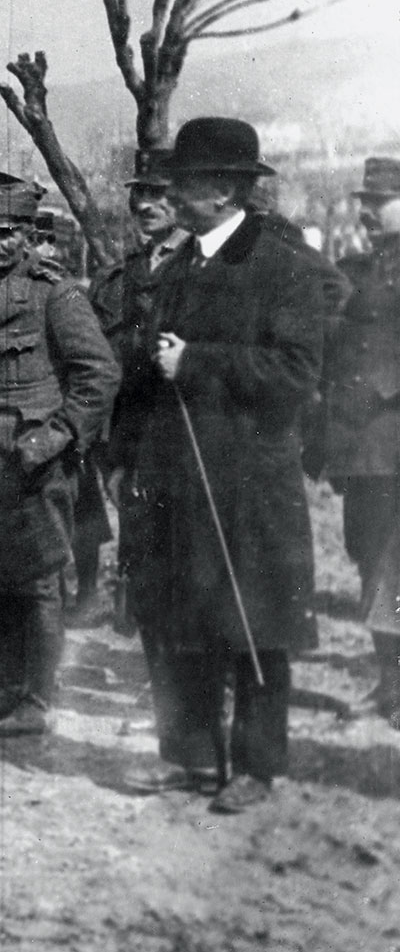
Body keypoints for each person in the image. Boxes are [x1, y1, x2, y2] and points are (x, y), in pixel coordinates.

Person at [114, 119, 344, 811]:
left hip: (250, 480)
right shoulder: (182, 264)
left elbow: (298, 372)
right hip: (177, 475)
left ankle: (254, 768)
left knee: (254, 623)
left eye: (184, 182)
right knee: (182, 619)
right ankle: (188, 756)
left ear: (220, 189)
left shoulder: (284, 266)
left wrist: (199, 362)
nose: (173, 194)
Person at [0, 177, 119, 738]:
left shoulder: (54, 294)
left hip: (32, 464)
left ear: (27, 234)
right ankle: (11, 687)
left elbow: (98, 375)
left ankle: (38, 700)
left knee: (39, 581)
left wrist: (55, 438)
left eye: (7, 233)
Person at [85, 149, 190, 631]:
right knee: (140, 534)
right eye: (139, 194)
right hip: (134, 429)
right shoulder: (122, 274)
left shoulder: (204, 267)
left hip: (190, 429)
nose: (146, 205)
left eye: (159, 194)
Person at [318, 155, 400, 729]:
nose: (367, 211)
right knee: (369, 560)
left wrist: (381, 386)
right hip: (363, 446)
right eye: (364, 202)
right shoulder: (361, 270)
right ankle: (389, 683)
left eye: (380, 201)